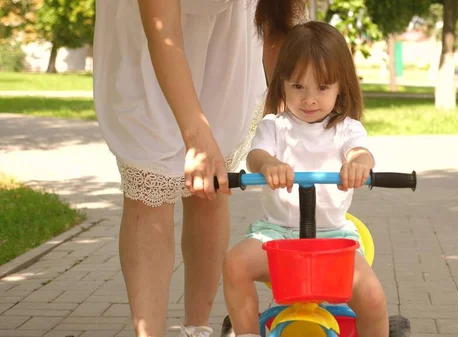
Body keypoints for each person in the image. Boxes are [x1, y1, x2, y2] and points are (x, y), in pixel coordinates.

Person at [92, 1, 308, 336]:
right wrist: (195, 136)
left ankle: (197, 329)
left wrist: (292, 123)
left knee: (210, 186)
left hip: (229, 26)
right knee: (150, 188)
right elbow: (162, 30)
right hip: (152, 30)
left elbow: (282, 18)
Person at [222, 21, 390, 337]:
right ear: (281, 83)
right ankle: (245, 332)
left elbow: (360, 153)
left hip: (333, 239)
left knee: (371, 296)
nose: (309, 99)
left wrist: (358, 165)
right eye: (298, 86)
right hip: (277, 236)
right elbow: (256, 155)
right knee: (234, 263)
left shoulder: (347, 128)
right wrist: (269, 164)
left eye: (323, 87)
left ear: (342, 86)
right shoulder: (273, 127)